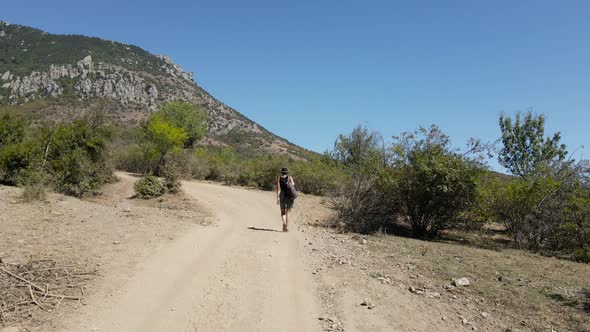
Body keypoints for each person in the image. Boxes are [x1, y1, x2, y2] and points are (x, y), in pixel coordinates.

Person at [276, 167, 295, 232]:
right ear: (287, 172)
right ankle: (286, 225)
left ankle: (284, 222)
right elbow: (293, 184)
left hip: (282, 195)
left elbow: (278, 189)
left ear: (281, 172)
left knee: (283, 211)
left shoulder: (279, 178)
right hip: (290, 195)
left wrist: (278, 198)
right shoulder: (290, 177)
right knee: (288, 211)